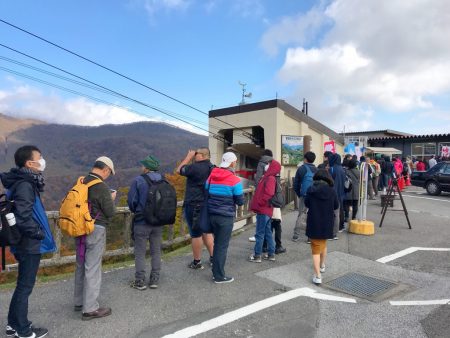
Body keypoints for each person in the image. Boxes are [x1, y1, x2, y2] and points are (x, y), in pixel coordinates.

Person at [0, 145, 49, 338]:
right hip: (28, 242)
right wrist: (39, 233)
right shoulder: (25, 185)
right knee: (25, 286)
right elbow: (23, 217)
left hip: (21, 241)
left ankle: (13, 324)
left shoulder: (19, 182)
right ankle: (23, 329)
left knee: (22, 285)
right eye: (40, 157)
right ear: (30, 163)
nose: (42, 160)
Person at [74, 156, 116, 321]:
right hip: (95, 229)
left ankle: (79, 302)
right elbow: (110, 212)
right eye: (109, 173)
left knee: (80, 265)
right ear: (105, 170)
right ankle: (90, 308)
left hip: (79, 229)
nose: (108, 176)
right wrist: (111, 199)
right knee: (92, 267)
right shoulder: (100, 186)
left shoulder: (81, 181)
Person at [128, 155, 168, 290]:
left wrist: (137, 210)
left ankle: (140, 281)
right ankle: (154, 280)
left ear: (146, 167)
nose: (141, 167)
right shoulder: (164, 180)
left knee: (140, 252)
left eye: (143, 165)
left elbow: (132, 201)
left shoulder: (138, 180)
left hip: (142, 221)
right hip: (158, 221)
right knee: (156, 251)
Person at [206, 152, 244, 283]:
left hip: (211, 214)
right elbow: (240, 201)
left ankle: (216, 272)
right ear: (232, 163)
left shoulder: (211, 175)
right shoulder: (234, 180)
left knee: (217, 244)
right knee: (221, 246)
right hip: (225, 217)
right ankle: (219, 276)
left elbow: (206, 190)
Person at [176, 148, 214, 270]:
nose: (194, 155)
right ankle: (214, 258)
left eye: (196, 154)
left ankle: (197, 262)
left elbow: (179, 170)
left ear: (202, 155)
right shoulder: (213, 167)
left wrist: (188, 157)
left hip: (194, 204)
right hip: (207, 203)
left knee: (196, 234)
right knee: (207, 232)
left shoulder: (195, 167)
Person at [305, 169, 339, 285]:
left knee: (315, 248)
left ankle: (318, 275)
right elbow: (336, 205)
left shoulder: (311, 190)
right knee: (323, 243)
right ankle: (322, 265)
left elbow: (306, 203)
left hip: (314, 221)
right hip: (327, 221)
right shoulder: (332, 190)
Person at [248, 160, 281, 262]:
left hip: (263, 209)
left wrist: (261, 203)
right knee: (267, 233)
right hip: (267, 209)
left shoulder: (269, 178)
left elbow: (269, 193)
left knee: (259, 233)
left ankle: (257, 255)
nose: (267, 166)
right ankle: (271, 254)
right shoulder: (270, 177)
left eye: (269, 164)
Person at [292, 151, 317, 242]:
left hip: (304, 195)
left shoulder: (301, 169)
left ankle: (296, 235)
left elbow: (296, 184)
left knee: (301, 214)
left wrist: (300, 194)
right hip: (314, 196)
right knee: (312, 215)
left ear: (305, 159)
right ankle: (310, 237)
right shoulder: (317, 170)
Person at [249, 149, 273, 242]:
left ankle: (258, 236)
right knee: (269, 217)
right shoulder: (274, 163)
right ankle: (268, 240)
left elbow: (258, 177)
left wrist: (256, 189)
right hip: (272, 192)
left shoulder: (261, 162)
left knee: (260, 213)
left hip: (262, 191)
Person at [328, 153, 345, 236]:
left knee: (333, 212)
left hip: (333, 193)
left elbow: (329, 181)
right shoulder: (342, 169)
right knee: (340, 210)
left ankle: (332, 230)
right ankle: (340, 227)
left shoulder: (332, 169)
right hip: (341, 192)